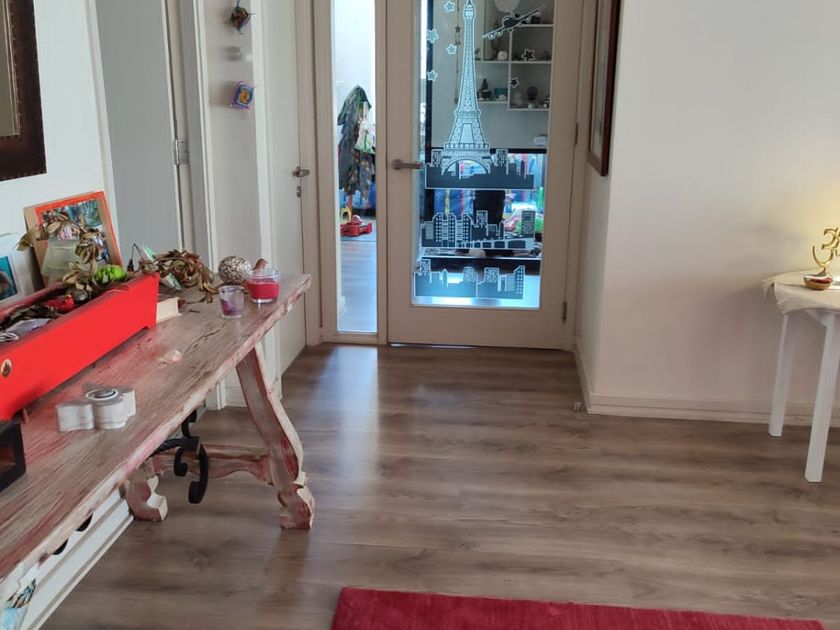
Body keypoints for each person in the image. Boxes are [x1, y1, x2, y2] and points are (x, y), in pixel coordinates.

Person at [337, 86, 375, 224]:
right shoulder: (356, 116)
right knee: (352, 178)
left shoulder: (356, 116)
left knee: (354, 178)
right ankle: (349, 212)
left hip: (355, 150)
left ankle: (351, 211)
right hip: (353, 150)